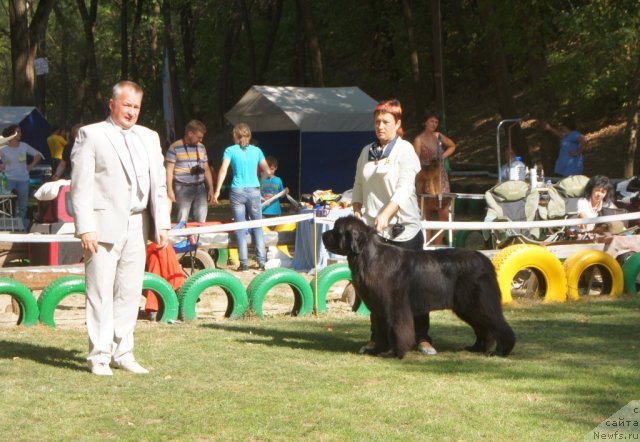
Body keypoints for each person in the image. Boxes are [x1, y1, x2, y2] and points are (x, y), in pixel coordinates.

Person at [70, 80, 171, 376]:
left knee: (129, 291)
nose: (131, 112)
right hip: (102, 226)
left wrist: (162, 222)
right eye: (126, 105)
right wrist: (85, 227)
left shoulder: (150, 137)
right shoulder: (91, 135)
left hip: (140, 222)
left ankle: (123, 352)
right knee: (100, 291)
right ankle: (99, 356)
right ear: (112, 104)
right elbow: (81, 186)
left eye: (136, 106)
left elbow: (159, 185)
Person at [352, 99, 436, 356]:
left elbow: (404, 189)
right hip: (375, 233)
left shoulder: (406, 150)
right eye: (377, 121)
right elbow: (358, 182)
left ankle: (422, 337)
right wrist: (356, 208)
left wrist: (387, 213)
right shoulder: (367, 151)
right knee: (376, 288)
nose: (380, 126)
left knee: (414, 286)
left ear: (398, 124)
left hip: (404, 230)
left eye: (386, 122)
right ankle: (379, 339)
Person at [213, 123, 269, 272]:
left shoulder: (230, 150)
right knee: (257, 225)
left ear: (235, 136)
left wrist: (217, 191)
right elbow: (267, 170)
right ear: (249, 136)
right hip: (254, 190)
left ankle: (243, 263)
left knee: (240, 227)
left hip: (237, 191)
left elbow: (223, 169)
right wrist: (259, 184)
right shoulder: (257, 151)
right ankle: (261, 261)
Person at [413, 110, 456, 245]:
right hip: (426, 178)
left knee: (444, 213)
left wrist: (442, 157)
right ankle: (426, 244)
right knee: (426, 214)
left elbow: (452, 146)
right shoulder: (418, 140)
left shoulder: (439, 136)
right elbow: (415, 162)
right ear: (425, 122)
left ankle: (437, 243)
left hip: (441, 179)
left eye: (436, 122)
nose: (434, 124)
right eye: (431, 121)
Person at [164, 120, 215, 223]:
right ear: (190, 134)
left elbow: (206, 168)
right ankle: (182, 238)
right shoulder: (174, 147)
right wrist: (170, 190)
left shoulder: (201, 147)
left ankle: (197, 239)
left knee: (201, 220)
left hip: (200, 187)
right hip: (182, 188)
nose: (201, 140)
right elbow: (169, 171)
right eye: (199, 137)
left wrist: (211, 188)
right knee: (182, 219)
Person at [0, 125, 45, 230]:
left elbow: (39, 154)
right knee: (8, 203)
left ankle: (23, 227)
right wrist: (1, 166)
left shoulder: (24, 146)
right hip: (9, 179)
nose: (20, 134)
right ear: (11, 134)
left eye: (20, 132)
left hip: (23, 179)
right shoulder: (4, 149)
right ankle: (9, 225)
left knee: (23, 204)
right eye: (17, 132)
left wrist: (31, 166)